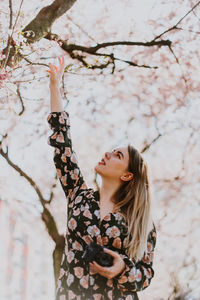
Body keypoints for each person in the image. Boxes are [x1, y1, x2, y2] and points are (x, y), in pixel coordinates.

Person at [46, 56, 157, 300]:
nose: (107, 153)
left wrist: (122, 269)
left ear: (128, 175)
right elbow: (62, 144)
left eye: (117, 155)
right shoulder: (79, 196)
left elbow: (145, 274)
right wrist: (55, 85)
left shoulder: (140, 219)